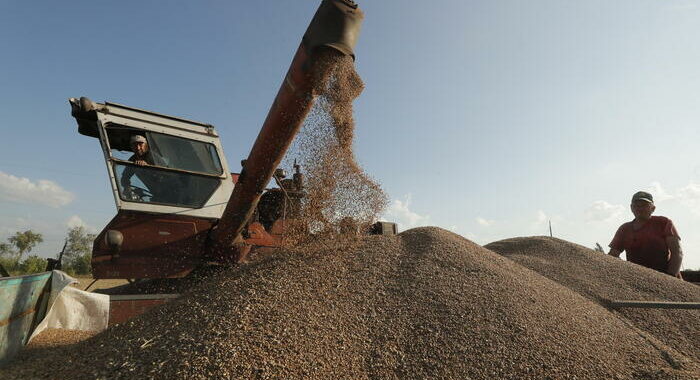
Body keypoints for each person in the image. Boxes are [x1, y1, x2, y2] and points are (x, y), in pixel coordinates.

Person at [608, 191, 683, 278]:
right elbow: (613, 255)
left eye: (644, 205)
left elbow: (677, 252)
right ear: (631, 208)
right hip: (637, 278)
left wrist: (671, 277)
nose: (639, 208)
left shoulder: (664, 223)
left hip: (665, 276)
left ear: (653, 208)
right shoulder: (624, 229)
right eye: (636, 205)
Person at [120, 134, 173, 202]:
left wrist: (147, 167)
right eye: (135, 145)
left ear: (145, 145)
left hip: (169, 191)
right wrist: (127, 188)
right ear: (132, 147)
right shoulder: (132, 160)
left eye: (140, 145)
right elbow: (124, 177)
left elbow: (165, 174)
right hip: (156, 193)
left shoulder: (152, 156)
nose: (138, 148)